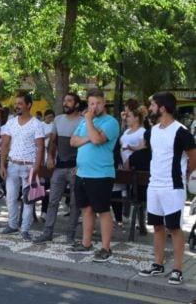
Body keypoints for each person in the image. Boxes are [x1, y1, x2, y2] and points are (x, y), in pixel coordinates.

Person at [138, 92, 196, 285]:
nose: (150, 109)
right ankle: (158, 264)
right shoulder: (152, 131)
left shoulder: (181, 131)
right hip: (154, 185)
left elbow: (193, 156)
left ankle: (178, 270)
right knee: (157, 226)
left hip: (172, 187)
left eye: (152, 105)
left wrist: (187, 172)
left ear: (162, 108)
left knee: (174, 228)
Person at [69, 88, 120, 263]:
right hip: (82, 173)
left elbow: (98, 140)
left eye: (97, 103)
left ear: (104, 103)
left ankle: (106, 247)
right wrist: (89, 137)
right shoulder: (84, 122)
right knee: (86, 209)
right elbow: (73, 141)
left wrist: (90, 122)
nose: (94, 107)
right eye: (91, 103)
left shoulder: (110, 122)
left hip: (101, 174)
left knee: (103, 210)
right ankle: (86, 243)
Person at [33, 93, 83, 245]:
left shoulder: (82, 122)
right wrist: (49, 157)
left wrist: (80, 166)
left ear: (76, 104)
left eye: (69, 101)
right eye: (64, 100)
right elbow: (53, 142)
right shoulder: (58, 119)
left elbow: (84, 145)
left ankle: (71, 235)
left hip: (75, 167)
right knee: (53, 201)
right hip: (59, 167)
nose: (65, 103)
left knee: (75, 203)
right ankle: (47, 233)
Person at [0, 92, 45, 241]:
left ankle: (25, 229)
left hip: (29, 166)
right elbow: (5, 145)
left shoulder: (36, 124)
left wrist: (36, 167)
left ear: (28, 105)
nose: (16, 106)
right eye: (16, 103)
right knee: (11, 198)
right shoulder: (11, 123)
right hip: (12, 164)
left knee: (28, 200)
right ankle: (12, 225)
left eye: (20, 103)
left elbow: (40, 147)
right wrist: (2, 165)